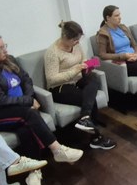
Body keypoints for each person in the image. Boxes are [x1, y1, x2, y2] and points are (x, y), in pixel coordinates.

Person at [0, 34, 87, 175]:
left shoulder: (9, 60)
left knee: (25, 128)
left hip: (17, 107)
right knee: (29, 114)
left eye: (4, 46)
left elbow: (26, 80)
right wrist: (28, 101)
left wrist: (29, 97)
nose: (5, 50)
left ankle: (34, 171)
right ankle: (57, 150)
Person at [44, 22, 116, 150]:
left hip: (77, 78)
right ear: (64, 37)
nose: (77, 42)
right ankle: (96, 138)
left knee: (93, 81)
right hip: (60, 87)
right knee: (88, 98)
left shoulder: (76, 45)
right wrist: (75, 70)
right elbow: (51, 79)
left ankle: (85, 117)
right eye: (74, 40)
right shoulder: (52, 52)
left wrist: (88, 64)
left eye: (79, 39)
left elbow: (83, 59)